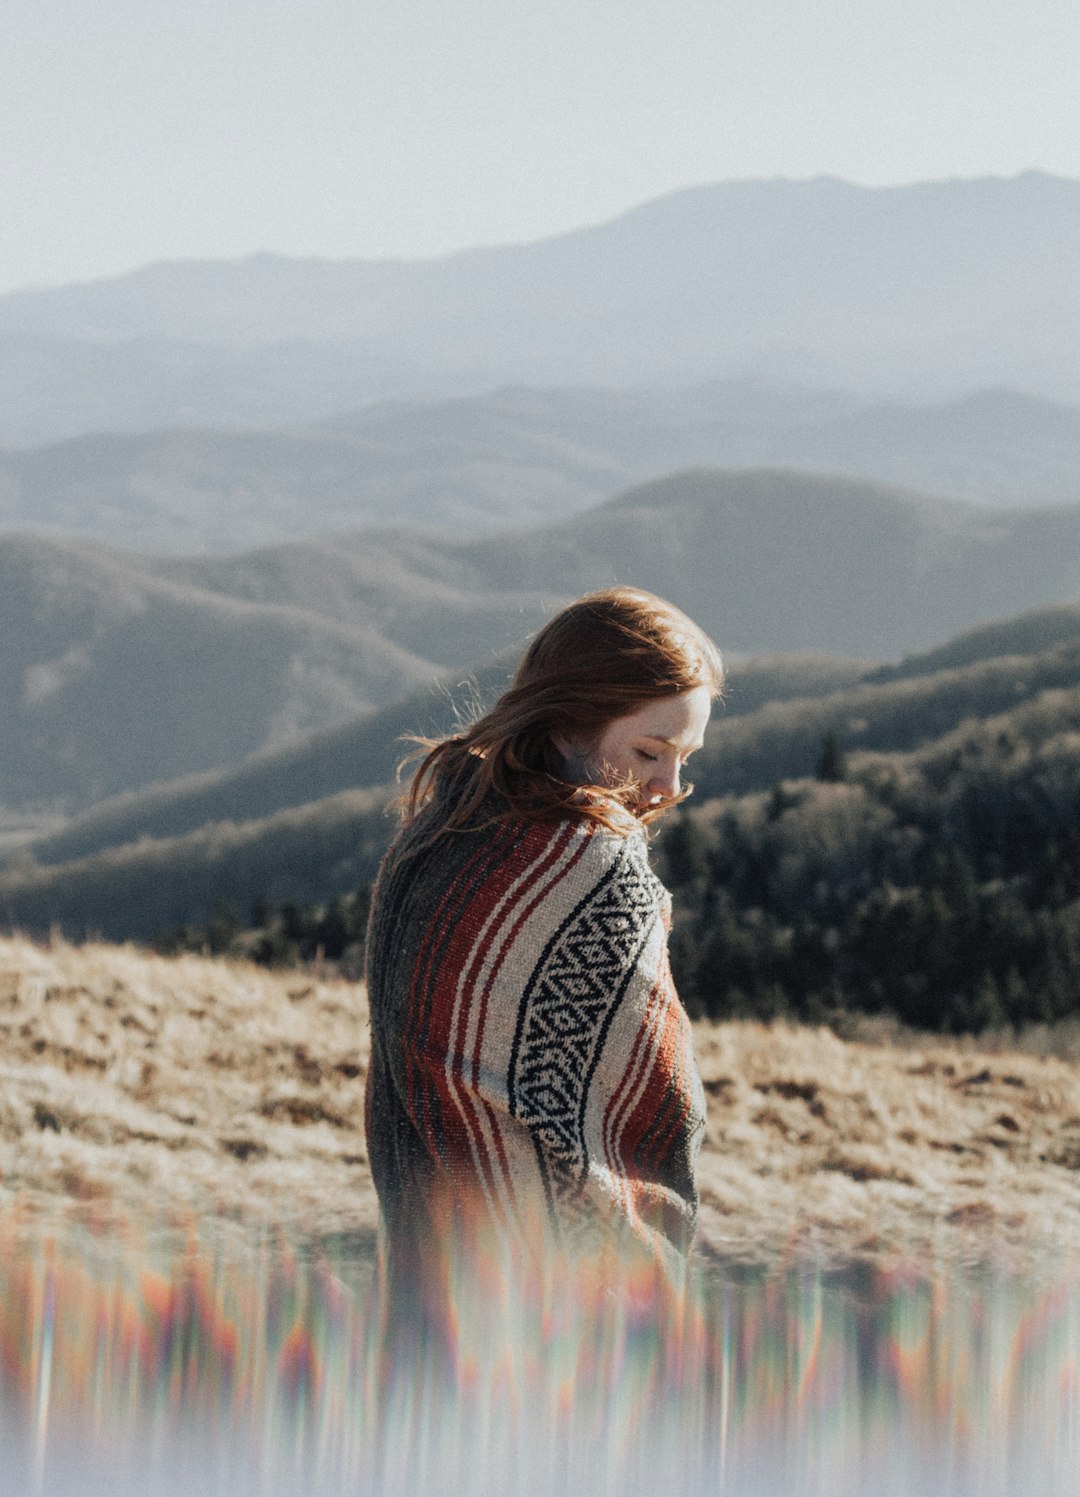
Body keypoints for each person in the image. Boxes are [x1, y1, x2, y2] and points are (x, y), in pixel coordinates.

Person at [363, 587, 723, 1320]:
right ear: (565, 723)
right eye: (650, 751)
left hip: (436, 1267)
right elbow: (653, 1100)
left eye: (686, 758)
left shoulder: (438, 832)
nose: (670, 787)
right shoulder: (600, 871)